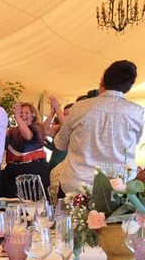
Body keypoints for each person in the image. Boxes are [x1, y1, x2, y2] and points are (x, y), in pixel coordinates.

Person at [54, 60, 144, 194]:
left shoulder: (79, 107)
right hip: (116, 189)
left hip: (75, 187)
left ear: (102, 81)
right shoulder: (138, 113)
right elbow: (131, 145)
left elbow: (60, 143)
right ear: (128, 88)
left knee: (63, 215)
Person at [0, 102, 53, 198]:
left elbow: (28, 136)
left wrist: (17, 117)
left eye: (26, 113)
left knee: (34, 204)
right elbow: (0, 146)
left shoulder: (38, 128)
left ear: (33, 116)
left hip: (34, 172)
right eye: (21, 112)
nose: (23, 115)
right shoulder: (13, 131)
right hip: (12, 172)